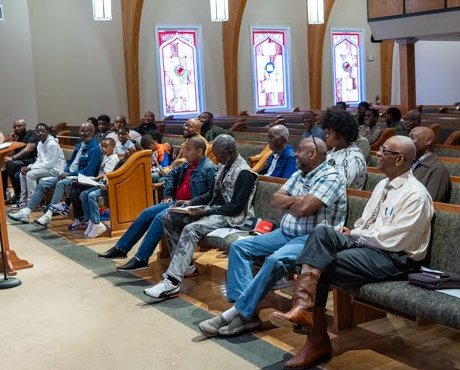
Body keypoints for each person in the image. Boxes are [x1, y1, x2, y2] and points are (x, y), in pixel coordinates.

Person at [268, 135, 434, 370]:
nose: (377, 153)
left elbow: (394, 240)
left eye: (384, 151)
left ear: (399, 159)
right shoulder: (382, 185)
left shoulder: (416, 194)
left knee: (318, 264)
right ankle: (303, 309)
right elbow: (366, 222)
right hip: (370, 247)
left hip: (395, 258)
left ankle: (315, 339)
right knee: (322, 233)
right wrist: (354, 232)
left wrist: (355, 235)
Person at [198, 137, 347, 338]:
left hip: (311, 239)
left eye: (299, 150)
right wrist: (296, 200)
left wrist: (293, 203)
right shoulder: (299, 174)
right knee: (240, 247)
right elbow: (275, 200)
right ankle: (247, 315)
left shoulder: (331, 177)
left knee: (275, 260)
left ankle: (235, 314)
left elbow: (305, 208)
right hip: (285, 233)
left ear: (312, 154)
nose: (295, 153)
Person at [143, 136, 258, 298]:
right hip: (216, 211)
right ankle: (186, 267)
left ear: (230, 151)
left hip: (234, 218)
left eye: (219, 155)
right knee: (169, 217)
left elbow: (235, 208)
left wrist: (205, 211)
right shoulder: (224, 166)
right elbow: (211, 195)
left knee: (191, 228)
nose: (217, 159)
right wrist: (190, 203)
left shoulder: (244, 173)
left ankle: (171, 282)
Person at [98, 137, 217, 271]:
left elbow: (211, 196)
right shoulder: (187, 165)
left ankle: (141, 258)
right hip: (178, 203)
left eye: (188, 150)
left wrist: (191, 202)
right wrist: (167, 194)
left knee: (160, 217)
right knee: (147, 213)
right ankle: (121, 248)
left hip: (192, 208)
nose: (184, 153)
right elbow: (171, 175)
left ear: (199, 151)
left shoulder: (209, 168)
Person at [8, 122, 101, 225]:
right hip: (69, 174)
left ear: (92, 132)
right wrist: (64, 171)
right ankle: (26, 211)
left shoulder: (94, 149)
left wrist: (68, 174)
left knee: (60, 183)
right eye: (81, 131)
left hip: (81, 177)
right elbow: (69, 163)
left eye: (86, 131)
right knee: (43, 184)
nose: (83, 133)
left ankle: (48, 215)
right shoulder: (79, 146)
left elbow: (88, 172)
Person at [68, 137, 119, 233]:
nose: (103, 149)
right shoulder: (105, 156)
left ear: (113, 147)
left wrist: (94, 179)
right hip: (99, 183)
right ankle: (89, 221)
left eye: (106, 147)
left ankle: (96, 222)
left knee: (91, 195)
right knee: (82, 193)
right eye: (102, 147)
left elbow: (105, 174)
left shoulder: (114, 159)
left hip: (106, 186)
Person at [17, 123, 65, 209]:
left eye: (43, 131)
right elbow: (39, 160)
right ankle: (23, 201)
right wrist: (30, 167)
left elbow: (49, 163)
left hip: (57, 169)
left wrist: (30, 168)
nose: (40, 133)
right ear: (35, 133)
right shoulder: (40, 143)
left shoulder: (52, 144)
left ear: (47, 131)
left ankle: (33, 203)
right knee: (22, 173)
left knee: (30, 174)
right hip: (47, 167)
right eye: (38, 132)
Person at [320, 108, 367, 189]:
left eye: (329, 132)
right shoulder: (331, 153)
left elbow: (337, 186)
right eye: (326, 132)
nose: (326, 136)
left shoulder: (354, 158)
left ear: (341, 134)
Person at [409, 126, 451, 202]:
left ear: (427, 141)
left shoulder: (438, 170)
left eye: (413, 138)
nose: (408, 142)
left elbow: (430, 203)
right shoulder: (407, 162)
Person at [0, 119, 38, 205]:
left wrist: (12, 158)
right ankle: (3, 194)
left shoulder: (32, 134)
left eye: (19, 126)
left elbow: (29, 149)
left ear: (25, 125)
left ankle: (18, 195)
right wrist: (12, 140)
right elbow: (11, 152)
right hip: (22, 161)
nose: (16, 128)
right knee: (3, 165)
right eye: (14, 127)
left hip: (32, 160)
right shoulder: (18, 137)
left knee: (10, 164)